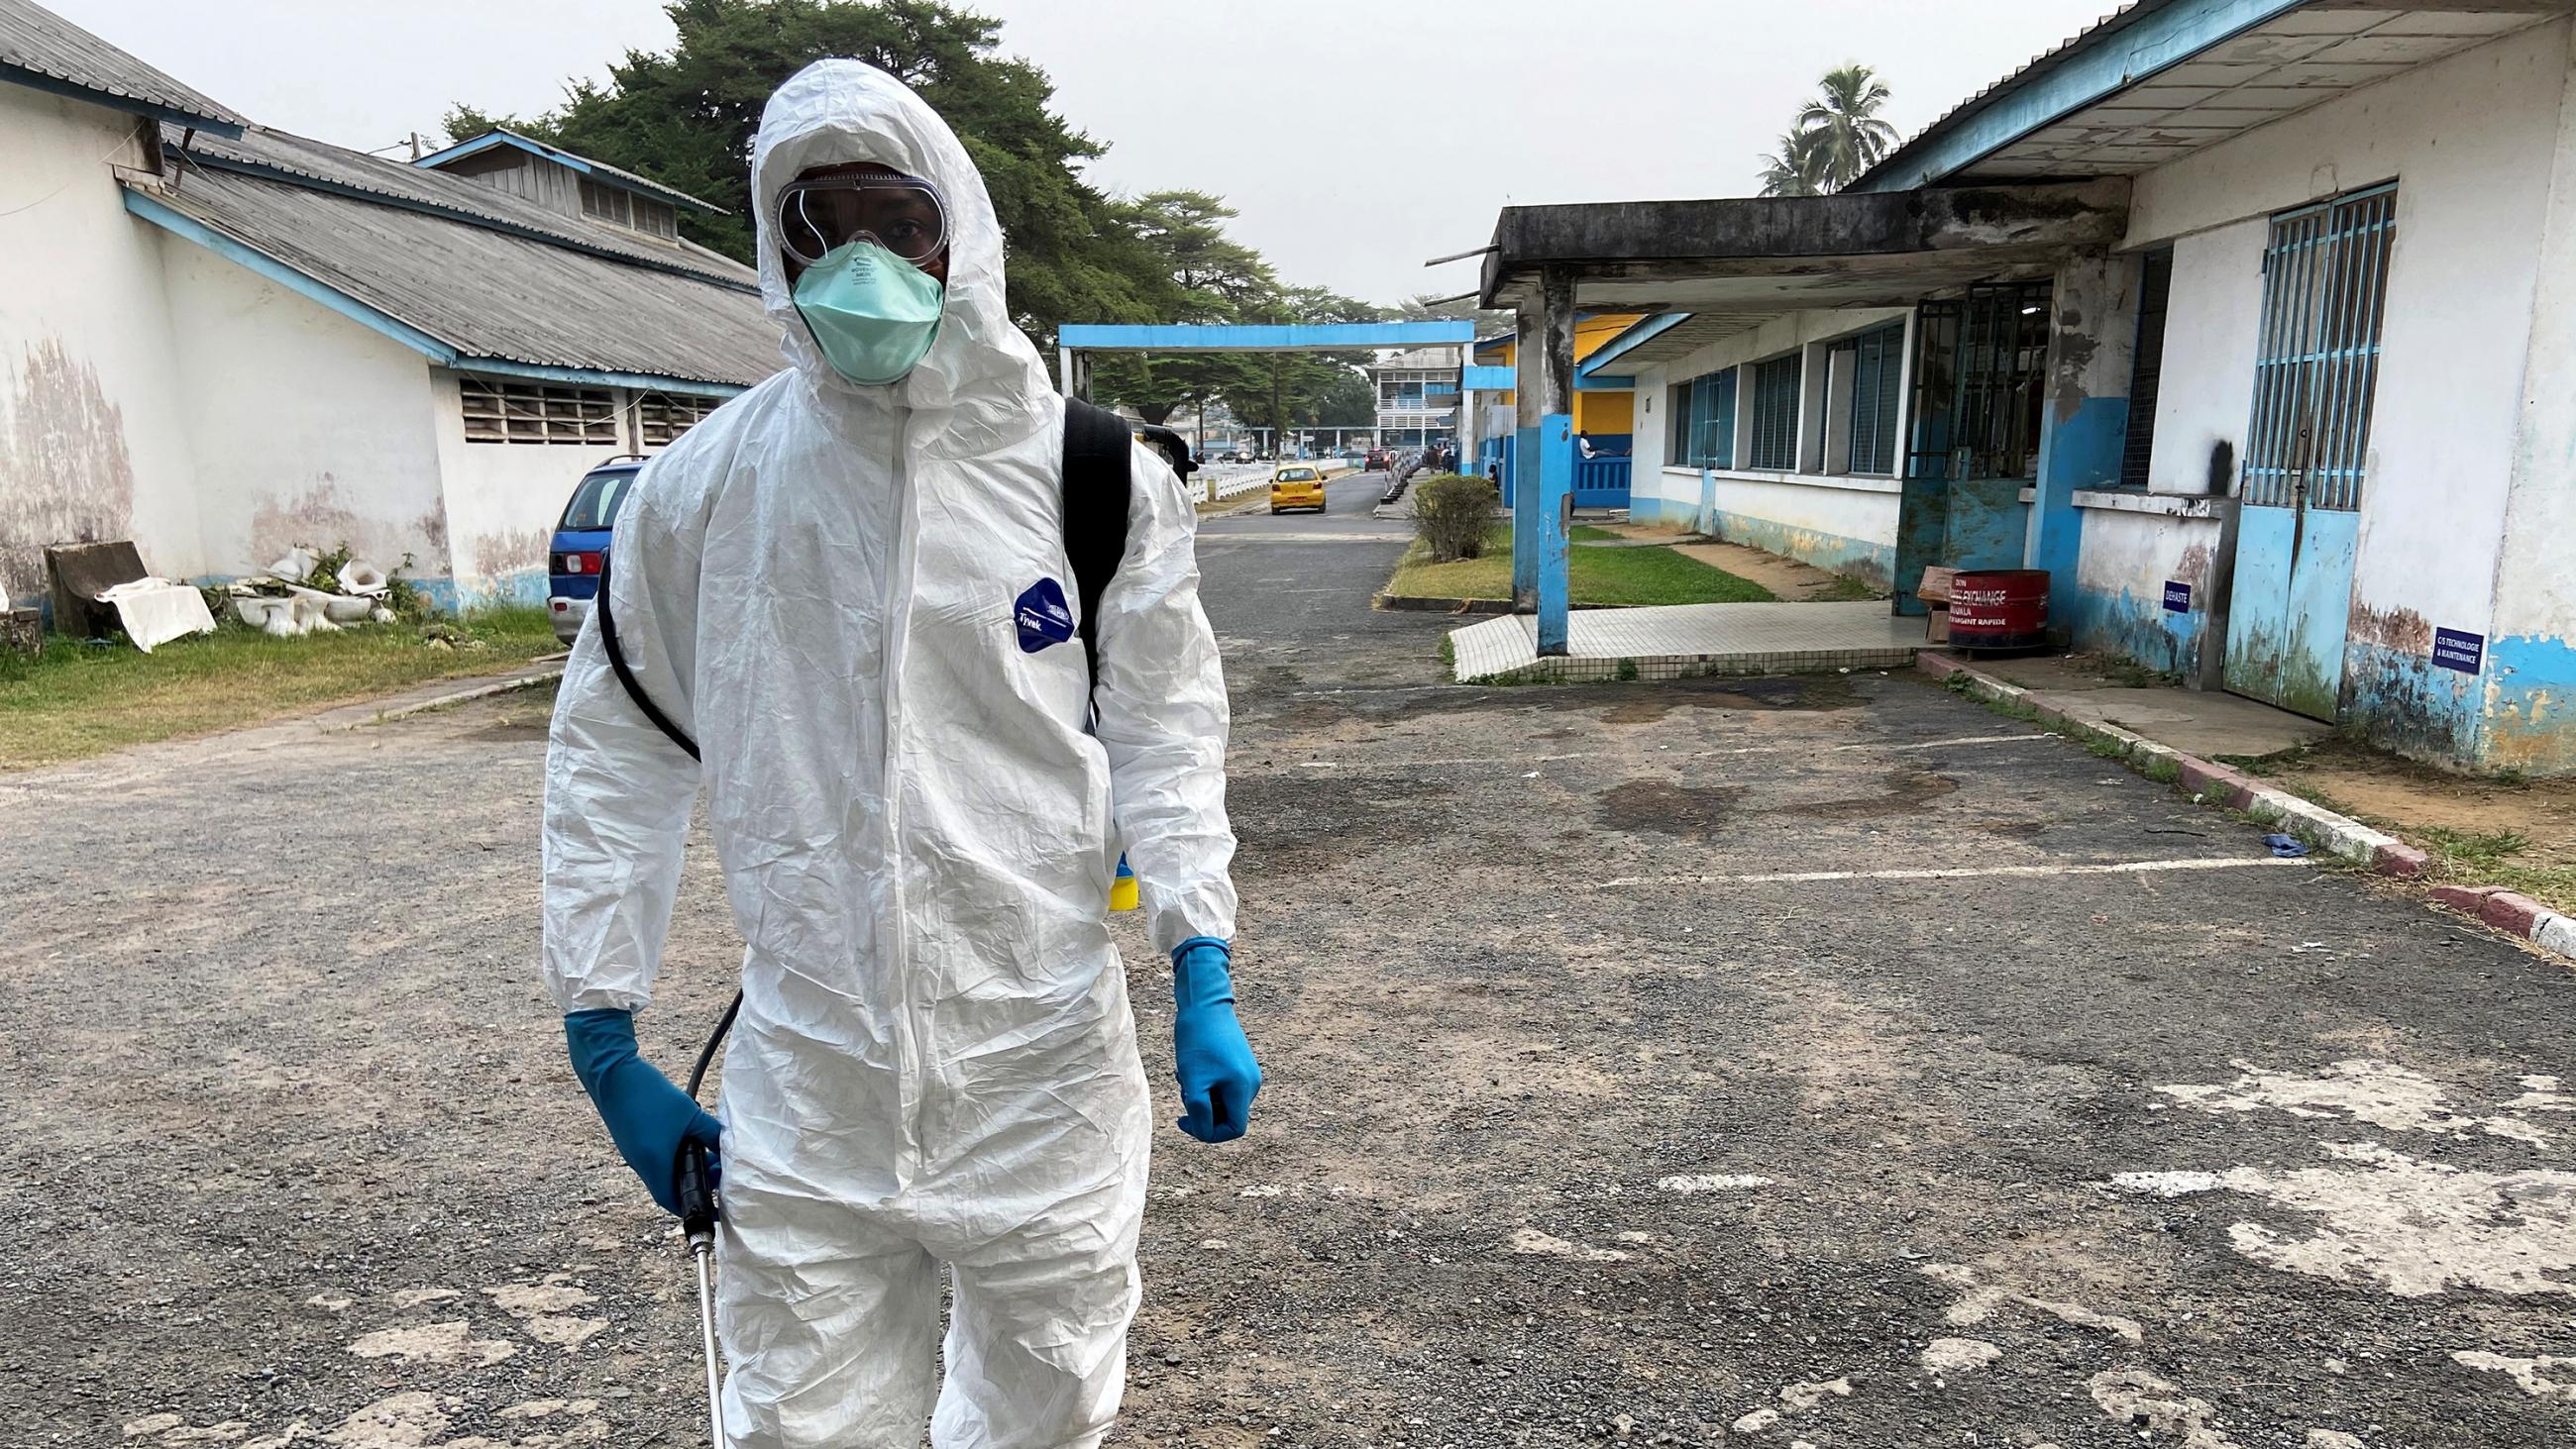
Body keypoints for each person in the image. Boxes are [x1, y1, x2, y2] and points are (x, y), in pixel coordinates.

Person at [542, 59, 1259, 1449]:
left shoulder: (1096, 480)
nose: (861, 260)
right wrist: (601, 1031)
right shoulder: (703, 492)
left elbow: (1170, 734)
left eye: (895, 219)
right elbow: (614, 755)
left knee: (1047, 1398)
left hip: (1040, 1060)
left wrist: (1200, 958)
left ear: (960, 234)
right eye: (820, 224)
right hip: (811, 1081)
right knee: (804, 1422)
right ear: (772, 242)